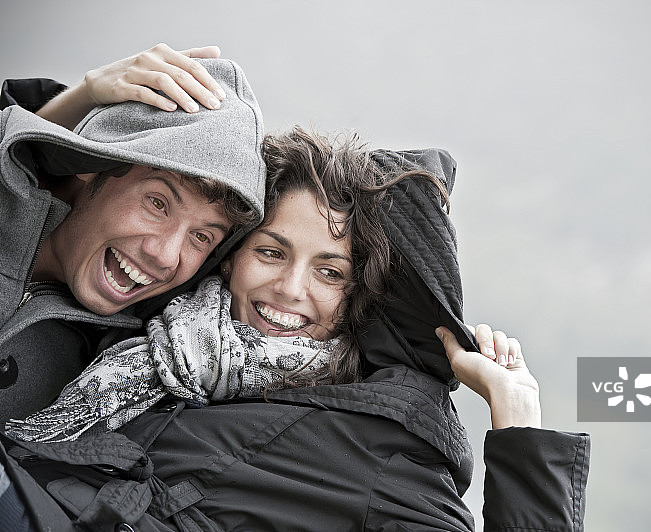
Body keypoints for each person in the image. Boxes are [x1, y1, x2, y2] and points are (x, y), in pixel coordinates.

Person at [2, 125, 589, 531]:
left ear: (361, 294)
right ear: (232, 252)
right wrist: (72, 103)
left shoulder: (379, 448)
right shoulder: (151, 322)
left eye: (329, 272)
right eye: (272, 252)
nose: (289, 289)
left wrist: (518, 416)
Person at [0, 49, 266, 424]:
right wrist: (85, 95)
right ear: (93, 164)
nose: (165, 255)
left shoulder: (127, 366)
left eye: (202, 237)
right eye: (158, 203)